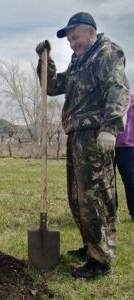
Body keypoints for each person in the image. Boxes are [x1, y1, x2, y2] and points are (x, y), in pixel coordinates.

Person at [36, 12, 130, 278]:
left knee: (95, 197)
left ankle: (101, 261)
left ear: (90, 32)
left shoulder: (106, 53)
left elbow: (118, 89)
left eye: (75, 38)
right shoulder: (79, 61)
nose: (72, 44)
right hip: (76, 135)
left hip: (95, 135)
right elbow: (52, 87)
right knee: (78, 197)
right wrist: (46, 61)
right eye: (69, 41)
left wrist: (110, 128)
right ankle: (91, 245)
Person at [115, 93, 134, 221]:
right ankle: (111, 213)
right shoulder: (103, 98)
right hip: (105, 145)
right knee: (107, 182)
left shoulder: (132, 100)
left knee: (131, 180)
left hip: (127, 146)